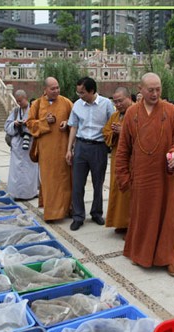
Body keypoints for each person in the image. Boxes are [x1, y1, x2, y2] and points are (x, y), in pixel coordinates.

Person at [115, 73, 174, 277]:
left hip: (166, 176)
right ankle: (141, 252)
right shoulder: (132, 113)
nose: (155, 93)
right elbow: (123, 149)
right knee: (143, 216)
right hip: (142, 176)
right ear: (140, 89)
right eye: (151, 89)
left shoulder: (172, 111)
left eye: (158, 89)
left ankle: (168, 257)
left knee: (168, 216)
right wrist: (123, 175)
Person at [66, 77, 114, 231]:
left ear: (92, 91)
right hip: (81, 146)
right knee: (77, 184)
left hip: (99, 148)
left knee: (98, 183)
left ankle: (96, 212)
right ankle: (78, 216)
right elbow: (73, 127)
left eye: (83, 92)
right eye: (78, 92)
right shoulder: (77, 105)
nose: (80, 95)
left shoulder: (106, 104)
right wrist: (69, 149)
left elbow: (111, 126)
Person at [26, 77, 73, 222]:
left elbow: (76, 120)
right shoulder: (37, 104)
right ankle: (52, 213)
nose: (56, 91)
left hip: (63, 149)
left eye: (57, 88)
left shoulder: (66, 102)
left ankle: (66, 210)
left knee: (65, 181)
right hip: (46, 152)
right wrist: (45, 122)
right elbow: (29, 124)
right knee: (49, 182)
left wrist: (67, 122)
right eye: (52, 89)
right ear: (45, 90)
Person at [102, 87, 133, 235]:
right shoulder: (115, 116)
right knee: (117, 189)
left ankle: (131, 225)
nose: (118, 104)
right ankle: (120, 222)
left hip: (132, 160)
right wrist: (114, 134)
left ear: (129, 98)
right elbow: (106, 132)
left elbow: (142, 134)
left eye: (120, 101)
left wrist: (124, 132)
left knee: (129, 192)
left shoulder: (136, 114)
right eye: (115, 102)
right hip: (117, 158)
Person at [4, 89, 38, 200]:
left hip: (29, 144)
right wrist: (15, 123)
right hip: (17, 145)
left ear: (25, 98)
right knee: (16, 171)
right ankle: (16, 193)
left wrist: (28, 125)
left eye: (21, 101)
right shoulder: (15, 112)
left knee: (30, 170)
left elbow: (38, 125)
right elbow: (7, 126)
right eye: (17, 101)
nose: (19, 103)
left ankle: (30, 194)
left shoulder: (34, 110)